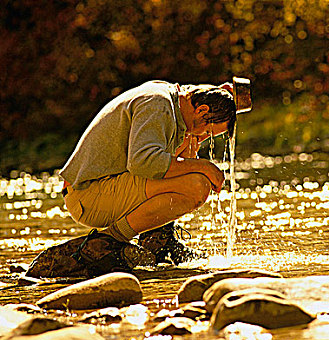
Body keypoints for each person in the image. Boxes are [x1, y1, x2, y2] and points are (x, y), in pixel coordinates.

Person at [25, 80, 236, 278]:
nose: (205, 137)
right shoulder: (157, 104)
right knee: (197, 185)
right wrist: (204, 166)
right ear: (201, 110)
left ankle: (158, 240)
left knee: (185, 160)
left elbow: (195, 96)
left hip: (103, 187)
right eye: (208, 131)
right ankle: (107, 242)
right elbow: (143, 163)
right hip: (87, 195)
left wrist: (224, 96)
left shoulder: (172, 100)